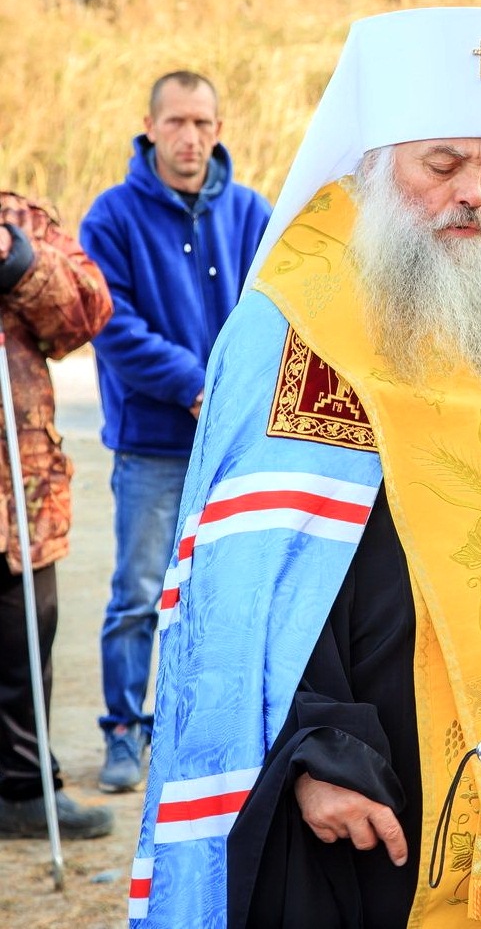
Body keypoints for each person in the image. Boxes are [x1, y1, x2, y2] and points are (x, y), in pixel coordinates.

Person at [126, 8, 481, 929]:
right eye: (442, 165)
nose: (474, 195)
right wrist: (313, 749)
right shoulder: (297, 321)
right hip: (382, 782)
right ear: (376, 165)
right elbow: (251, 580)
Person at [79, 71, 272, 794]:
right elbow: (110, 322)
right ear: (150, 127)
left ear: (218, 130)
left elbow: (276, 306)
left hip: (234, 443)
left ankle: (197, 730)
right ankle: (124, 729)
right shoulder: (112, 216)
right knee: (138, 592)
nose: (190, 137)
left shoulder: (252, 213)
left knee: (218, 591)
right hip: (153, 445)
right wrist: (193, 384)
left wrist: (234, 392)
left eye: (203, 123)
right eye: (177, 122)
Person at [0, 191, 114, 840]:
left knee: (25, 643)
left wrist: (16, 261)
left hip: (21, 494)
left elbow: (86, 314)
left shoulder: (23, 221)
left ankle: (24, 790)